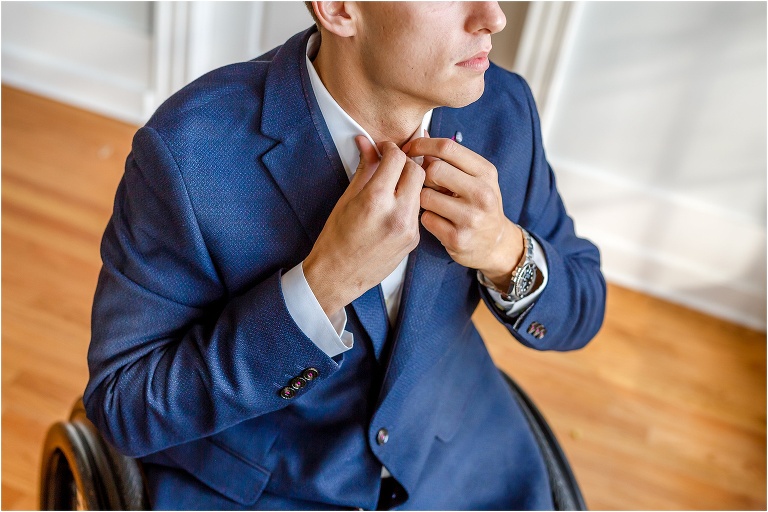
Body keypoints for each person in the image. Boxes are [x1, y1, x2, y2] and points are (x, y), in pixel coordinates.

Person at [84, 2, 606, 510]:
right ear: (337, 9)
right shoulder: (187, 152)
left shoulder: (504, 109)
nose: (493, 17)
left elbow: (582, 308)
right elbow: (124, 405)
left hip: (463, 466)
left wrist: (503, 250)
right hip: (262, 489)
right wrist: (321, 286)